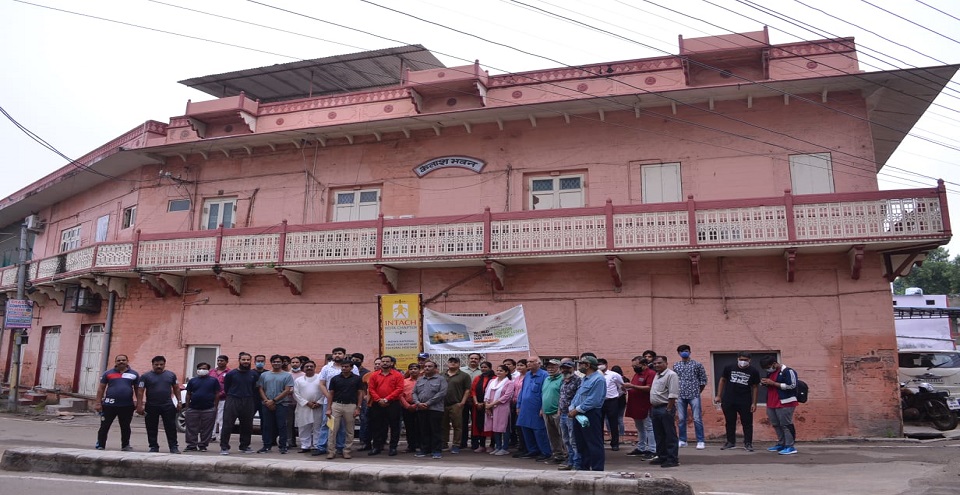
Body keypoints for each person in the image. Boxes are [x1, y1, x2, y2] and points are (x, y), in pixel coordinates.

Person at [317, 347, 359, 455]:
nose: (337, 355)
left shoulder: (353, 368)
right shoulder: (326, 368)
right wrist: (329, 397)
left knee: (343, 426)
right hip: (330, 402)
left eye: (339, 353)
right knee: (327, 424)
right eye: (335, 353)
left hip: (348, 402)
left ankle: (340, 447)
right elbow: (322, 384)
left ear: (344, 355)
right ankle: (322, 447)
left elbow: (357, 387)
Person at [715, 351, 760, 452]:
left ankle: (748, 443)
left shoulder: (754, 371)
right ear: (737, 359)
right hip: (729, 399)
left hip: (745, 400)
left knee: (747, 423)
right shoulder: (729, 367)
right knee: (730, 422)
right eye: (741, 359)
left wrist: (754, 402)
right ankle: (730, 442)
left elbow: (755, 387)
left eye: (745, 360)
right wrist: (718, 395)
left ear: (750, 360)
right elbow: (722, 380)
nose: (743, 362)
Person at [136, 355, 181, 454]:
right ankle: (153, 446)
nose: (159, 366)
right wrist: (139, 405)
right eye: (156, 364)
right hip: (151, 405)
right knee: (151, 427)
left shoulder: (171, 375)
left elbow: (176, 388)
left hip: (167, 405)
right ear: (152, 365)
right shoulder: (145, 376)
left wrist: (179, 401)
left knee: (171, 427)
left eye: (161, 364)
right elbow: (140, 391)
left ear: (164, 365)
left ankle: (173, 447)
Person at [568, 355, 605, 471]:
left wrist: (576, 410)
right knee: (581, 442)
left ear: (588, 365)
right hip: (578, 414)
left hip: (589, 414)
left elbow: (594, 400)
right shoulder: (585, 378)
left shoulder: (598, 379)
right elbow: (578, 396)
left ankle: (597, 468)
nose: (579, 366)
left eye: (581, 364)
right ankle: (584, 467)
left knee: (593, 441)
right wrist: (572, 407)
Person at [94, 354, 139, 451]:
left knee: (125, 427)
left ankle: (125, 445)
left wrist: (138, 403)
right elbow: (101, 389)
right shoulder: (108, 373)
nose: (121, 362)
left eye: (123, 360)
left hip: (127, 406)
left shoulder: (134, 374)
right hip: (109, 405)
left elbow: (137, 389)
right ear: (115, 362)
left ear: (127, 361)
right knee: (104, 426)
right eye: (119, 360)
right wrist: (98, 403)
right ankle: (101, 444)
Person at [220, 352, 260, 455]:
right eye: (243, 360)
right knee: (227, 424)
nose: (246, 362)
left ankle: (244, 446)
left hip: (248, 400)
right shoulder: (231, 374)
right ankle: (224, 447)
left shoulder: (254, 374)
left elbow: (255, 388)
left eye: (248, 360)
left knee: (247, 425)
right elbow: (227, 388)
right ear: (239, 360)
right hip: (233, 399)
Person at [759, 356, 799, 455]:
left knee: (786, 424)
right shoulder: (770, 373)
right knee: (776, 424)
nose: (768, 369)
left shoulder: (788, 371)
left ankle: (790, 446)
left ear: (774, 363)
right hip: (772, 402)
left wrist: (774, 383)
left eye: (769, 366)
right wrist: (765, 383)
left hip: (786, 402)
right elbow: (771, 384)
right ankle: (781, 443)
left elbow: (792, 385)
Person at [325, 359, 363, 459]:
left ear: (351, 367)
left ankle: (347, 451)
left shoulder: (357, 379)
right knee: (332, 429)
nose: (344, 368)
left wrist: (358, 408)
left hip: (351, 406)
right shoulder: (335, 379)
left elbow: (360, 393)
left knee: (350, 430)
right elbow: (331, 394)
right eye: (342, 366)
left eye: (346, 366)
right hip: (336, 405)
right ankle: (331, 451)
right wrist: (328, 408)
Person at [366, 355, 404, 456]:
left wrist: (387, 399)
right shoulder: (374, 375)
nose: (385, 363)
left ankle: (393, 447)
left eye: (387, 361)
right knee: (377, 426)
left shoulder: (398, 375)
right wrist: (379, 399)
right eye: (383, 361)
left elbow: (399, 389)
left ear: (392, 363)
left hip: (393, 403)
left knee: (394, 426)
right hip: (377, 403)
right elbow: (371, 389)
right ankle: (377, 447)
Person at [257, 354, 294, 454]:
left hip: (282, 404)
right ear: (271, 362)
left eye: (278, 362)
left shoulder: (287, 375)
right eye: (274, 361)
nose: (276, 363)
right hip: (266, 404)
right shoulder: (264, 375)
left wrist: (273, 401)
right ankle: (266, 445)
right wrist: (267, 401)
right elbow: (260, 389)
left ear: (282, 363)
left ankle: (283, 446)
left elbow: (287, 390)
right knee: (267, 425)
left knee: (282, 425)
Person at [517, 356, 552, 461]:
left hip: (536, 408)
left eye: (531, 362)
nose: (528, 364)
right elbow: (522, 391)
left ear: (538, 363)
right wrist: (518, 405)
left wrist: (543, 407)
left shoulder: (545, 375)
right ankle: (532, 450)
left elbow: (546, 393)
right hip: (525, 408)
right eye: (527, 362)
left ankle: (545, 452)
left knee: (539, 431)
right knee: (525, 429)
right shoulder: (527, 375)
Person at [673, 344, 708, 450]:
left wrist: (698, 391)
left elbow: (703, 380)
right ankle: (683, 440)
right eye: (682, 351)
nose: (684, 352)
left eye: (687, 350)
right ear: (678, 353)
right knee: (682, 419)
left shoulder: (697, 364)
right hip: (680, 395)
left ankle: (700, 440)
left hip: (694, 395)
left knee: (697, 418)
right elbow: (674, 380)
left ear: (690, 352)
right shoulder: (676, 366)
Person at [412, 360, 448, 459]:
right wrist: (418, 403)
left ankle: (436, 450)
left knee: (435, 430)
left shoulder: (441, 379)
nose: (427, 368)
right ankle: (424, 449)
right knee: (424, 430)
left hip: (435, 409)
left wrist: (428, 403)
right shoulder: (420, 380)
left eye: (430, 366)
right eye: (425, 366)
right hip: (421, 409)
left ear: (435, 368)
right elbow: (414, 393)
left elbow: (442, 393)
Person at [624, 354, 657, 459]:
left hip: (645, 404)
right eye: (633, 366)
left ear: (644, 364)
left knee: (649, 427)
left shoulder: (650, 373)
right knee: (639, 428)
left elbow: (649, 388)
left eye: (636, 366)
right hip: (635, 404)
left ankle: (652, 449)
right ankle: (641, 447)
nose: (634, 368)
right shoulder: (637, 374)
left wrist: (632, 386)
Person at [650, 355, 680, 468]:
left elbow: (673, 394)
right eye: (655, 363)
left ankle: (672, 459)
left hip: (665, 407)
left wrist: (669, 408)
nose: (657, 365)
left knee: (669, 434)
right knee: (659, 434)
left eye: (659, 363)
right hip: (655, 408)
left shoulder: (671, 375)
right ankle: (662, 456)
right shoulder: (656, 375)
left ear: (666, 363)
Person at [183, 362, 220, 452]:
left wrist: (215, 406)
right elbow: (188, 394)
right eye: (200, 368)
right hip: (193, 408)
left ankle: (203, 445)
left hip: (208, 408)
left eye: (204, 368)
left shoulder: (213, 380)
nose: (201, 370)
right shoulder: (192, 381)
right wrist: (187, 407)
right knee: (191, 427)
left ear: (208, 370)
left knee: (207, 428)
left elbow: (217, 394)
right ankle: (191, 445)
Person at [483, 364, 516, 455]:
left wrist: (491, 404)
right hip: (491, 407)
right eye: (497, 370)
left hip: (502, 407)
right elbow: (486, 394)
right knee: (495, 428)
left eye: (501, 371)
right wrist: (487, 406)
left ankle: (505, 448)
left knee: (503, 427)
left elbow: (506, 396)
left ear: (506, 372)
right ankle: (498, 446)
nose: (498, 372)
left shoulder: (509, 383)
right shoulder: (492, 381)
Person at [441, 357, 471, 454]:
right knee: (443, 425)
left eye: (455, 362)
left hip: (456, 403)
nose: (453, 363)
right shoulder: (442, 375)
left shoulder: (464, 375)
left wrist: (462, 402)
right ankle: (444, 443)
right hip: (442, 404)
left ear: (459, 364)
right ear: (447, 363)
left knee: (457, 425)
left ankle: (456, 444)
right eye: (451, 362)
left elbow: (467, 390)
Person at [293, 360, 324, 453]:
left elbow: (325, 392)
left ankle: (316, 445)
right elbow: (295, 394)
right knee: (304, 426)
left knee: (317, 426)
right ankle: (305, 446)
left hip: (318, 406)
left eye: (311, 366)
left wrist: (319, 402)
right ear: (303, 368)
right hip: (304, 406)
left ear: (315, 368)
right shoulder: (299, 380)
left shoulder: (320, 379)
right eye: (307, 366)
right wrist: (306, 402)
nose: (309, 368)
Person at [556, 358, 581, 471]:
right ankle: (570, 461)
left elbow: (579, 398)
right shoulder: (562, 380)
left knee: (573, 440)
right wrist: (559, 409)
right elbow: (561, 397)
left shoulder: (578, 380)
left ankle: (577, 463)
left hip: (572, 414)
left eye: (568, 367)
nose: (565, 370)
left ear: (573, 368)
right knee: (565, 440)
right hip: (563, 414)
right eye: (563, 368)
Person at [541, 358, 566, 464]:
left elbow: (564, 396)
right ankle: (557, 455)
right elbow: (544, 394)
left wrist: (560, 409)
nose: (550, 369)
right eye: (548, 367)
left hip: (558, 411)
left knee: (563, 436)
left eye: (553, 367)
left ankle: (567, 456)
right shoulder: (547, 379)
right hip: (546, 411)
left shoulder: (563, 379)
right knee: (552, 436)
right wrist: (542, 408)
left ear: (559, 368)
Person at [598, 358, 625, 451]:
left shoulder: (614, 375)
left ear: (606, 365)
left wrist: (616, 396)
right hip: (599, 402)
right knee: (599, 423)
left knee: (613, 423)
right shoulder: (595, 375)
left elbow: (622, 387)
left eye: (601, 364)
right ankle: (600, 442)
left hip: (612, 401)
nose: (599, 366)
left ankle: (615, 443)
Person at [469, 361, 494, 452]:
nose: (483, 369)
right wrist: (476, 403)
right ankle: (482, 445)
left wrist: (485, 403)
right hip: (478, 406)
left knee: (490, 425)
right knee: (480, 425)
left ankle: (492, 445)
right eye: (482, 367)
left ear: (490, 368)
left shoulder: (494, 378)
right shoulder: (477, 378)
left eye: (485, 367)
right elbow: (473, 391)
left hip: (489, 406)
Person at [463, 352, 484, 449]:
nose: (473, 360)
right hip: (463, 399)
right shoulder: (461, 370)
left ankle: (475, 443)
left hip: (477, 400)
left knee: (476, 422)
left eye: (476, 358)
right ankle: (462, 443)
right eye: (471, 358)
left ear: (479, 360)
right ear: (468, 359)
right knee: (463, 421)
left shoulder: (483, 371)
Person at [399, 362, 421, 453]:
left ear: (419, 370)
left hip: (420, 406)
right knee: (409, 427)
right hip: (407, 406)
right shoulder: (404, 381)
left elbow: (424, 395)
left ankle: (420, 445)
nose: (413, 371)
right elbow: (400, 395)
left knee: (420, 427)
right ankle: (411, 446)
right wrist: (407, 406)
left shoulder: (423, 381)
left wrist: (416, 404)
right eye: (411, 369)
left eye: (415, 369)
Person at [208, 355, 231, 442]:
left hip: (223, 399)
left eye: (222, 361)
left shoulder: (229, 372)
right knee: (211, 417)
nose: (220, 362)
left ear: (226, 362)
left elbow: (229, 386)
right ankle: (211, 435)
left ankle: (222, 437)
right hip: (211, 399)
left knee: (221, 419)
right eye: (218, 360)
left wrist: (220, 394)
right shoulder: (211, 372)